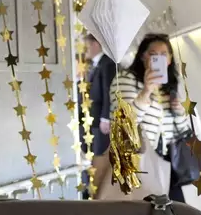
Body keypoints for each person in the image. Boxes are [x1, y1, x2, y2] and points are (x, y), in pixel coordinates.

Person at [109, 33, 191, 202]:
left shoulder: (171, 85)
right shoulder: (126, 80)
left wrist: (180, 112)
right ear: (142, 57)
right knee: (148, 212)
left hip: (166, 159)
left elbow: (183, 130)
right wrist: (145, 92)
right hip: (139, 159)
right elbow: (123, 124)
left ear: (169, 59)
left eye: (164, 55)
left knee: (175, 210)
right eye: (154, 55)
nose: (159, 59)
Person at [78, 34, 116, 199]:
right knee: (91, 154)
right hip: (90, 120)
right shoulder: (94, 65)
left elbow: (109, 92)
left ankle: (99, 190)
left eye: (87, 46)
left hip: (99, 119)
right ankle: (90, 188)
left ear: (96, 44)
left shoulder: (107, 64)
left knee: (99, 155)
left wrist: (106, 118)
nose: (84, 50)